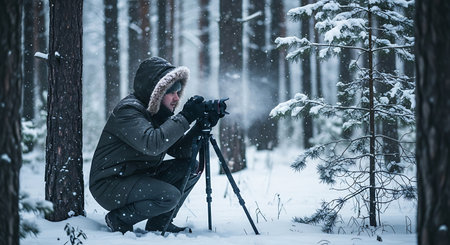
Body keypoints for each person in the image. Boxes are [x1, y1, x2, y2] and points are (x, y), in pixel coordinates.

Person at [89, 57, 216, 234]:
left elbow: (179, 151)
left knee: (189, 166)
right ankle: (119, 218)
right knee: (169, 196)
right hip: (110, 184)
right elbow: (152, 144)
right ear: (155, 91)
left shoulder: (156, 112)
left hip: (135, 176)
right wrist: (185, 116)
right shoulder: (129, 111)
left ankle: (160, 223)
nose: (176, 97)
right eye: (172, 91)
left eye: (179, 90)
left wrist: (199, 126)